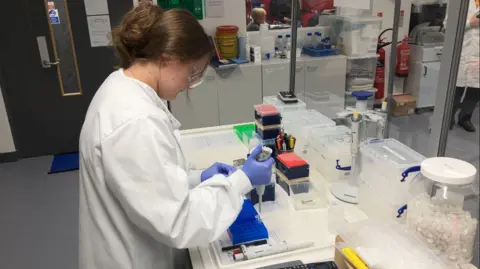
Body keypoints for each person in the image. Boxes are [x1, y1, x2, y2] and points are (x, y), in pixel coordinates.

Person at [78, 4, 275, 269]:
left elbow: (148, 183)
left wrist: (197, 178)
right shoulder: (136, 121)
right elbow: (179, 223)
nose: (188, 86)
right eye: (192, 73)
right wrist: (242, 181)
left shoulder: (120, 86)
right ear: (168, 57)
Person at [445, 0, 479, 132]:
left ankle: (465, 118)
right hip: (462, 52)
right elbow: (448, 26)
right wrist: (470, 24)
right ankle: (448, 118)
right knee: (455, 88)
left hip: (478, 55)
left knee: (476, 90)